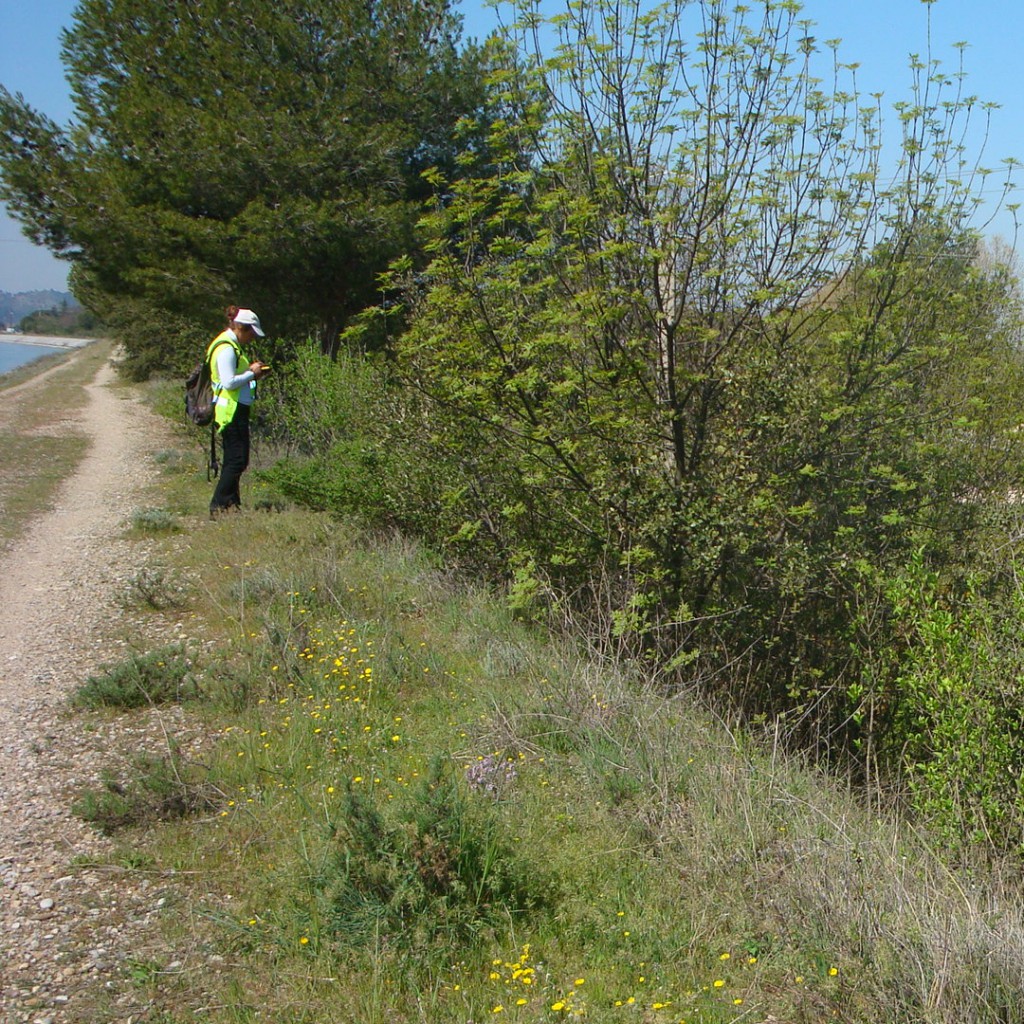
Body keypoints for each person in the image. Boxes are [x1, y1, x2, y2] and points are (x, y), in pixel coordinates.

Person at [207, 306, 271, 517]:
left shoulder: (232, 346)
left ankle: (231, 505)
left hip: (235, 409)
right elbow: (229, 382)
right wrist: (252, 374)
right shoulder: (226, 348)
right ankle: (218, 505)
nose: (252, 338)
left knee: (235, 460)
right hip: (230, 412)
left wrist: (251, 371)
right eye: (251, 334)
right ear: (242, 328)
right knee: (237, 460)